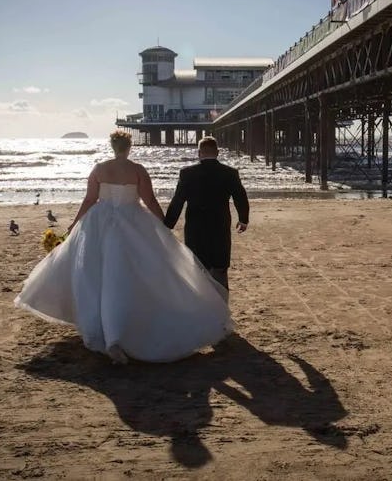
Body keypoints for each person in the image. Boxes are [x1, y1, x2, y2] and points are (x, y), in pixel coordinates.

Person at [14, 130, 232, 364]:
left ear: (112, 146)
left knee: (97, 274)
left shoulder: (99, 169)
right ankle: (120, 330)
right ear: (129, 148)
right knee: (131, 274)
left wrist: (74, 224)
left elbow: (89, 200)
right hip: (132, 220)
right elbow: (149, 200)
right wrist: (164, 223)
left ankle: (107, 330)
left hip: (100, 222)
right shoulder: (137, 170)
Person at [164, 136, 249, 290]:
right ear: (217, 152)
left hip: (195, 227)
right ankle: (221, 305)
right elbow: (240, 197)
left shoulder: (187, 173)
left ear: (199, 153)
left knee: (197, 267)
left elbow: (178, 201)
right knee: (220, 267)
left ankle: (202, 305)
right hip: (220, 225)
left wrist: (168, 224)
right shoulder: (230, 173)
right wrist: (243, 219)